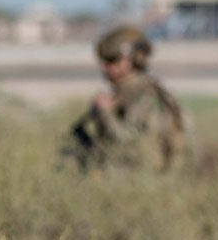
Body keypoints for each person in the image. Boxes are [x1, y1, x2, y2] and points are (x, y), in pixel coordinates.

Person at [65, 26, 186, 170]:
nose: (105, 68)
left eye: (112, 61)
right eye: (104, 61)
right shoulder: (126, 93)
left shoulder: (145, 97)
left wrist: (106, 113)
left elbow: (133, 146)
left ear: (131, 61)